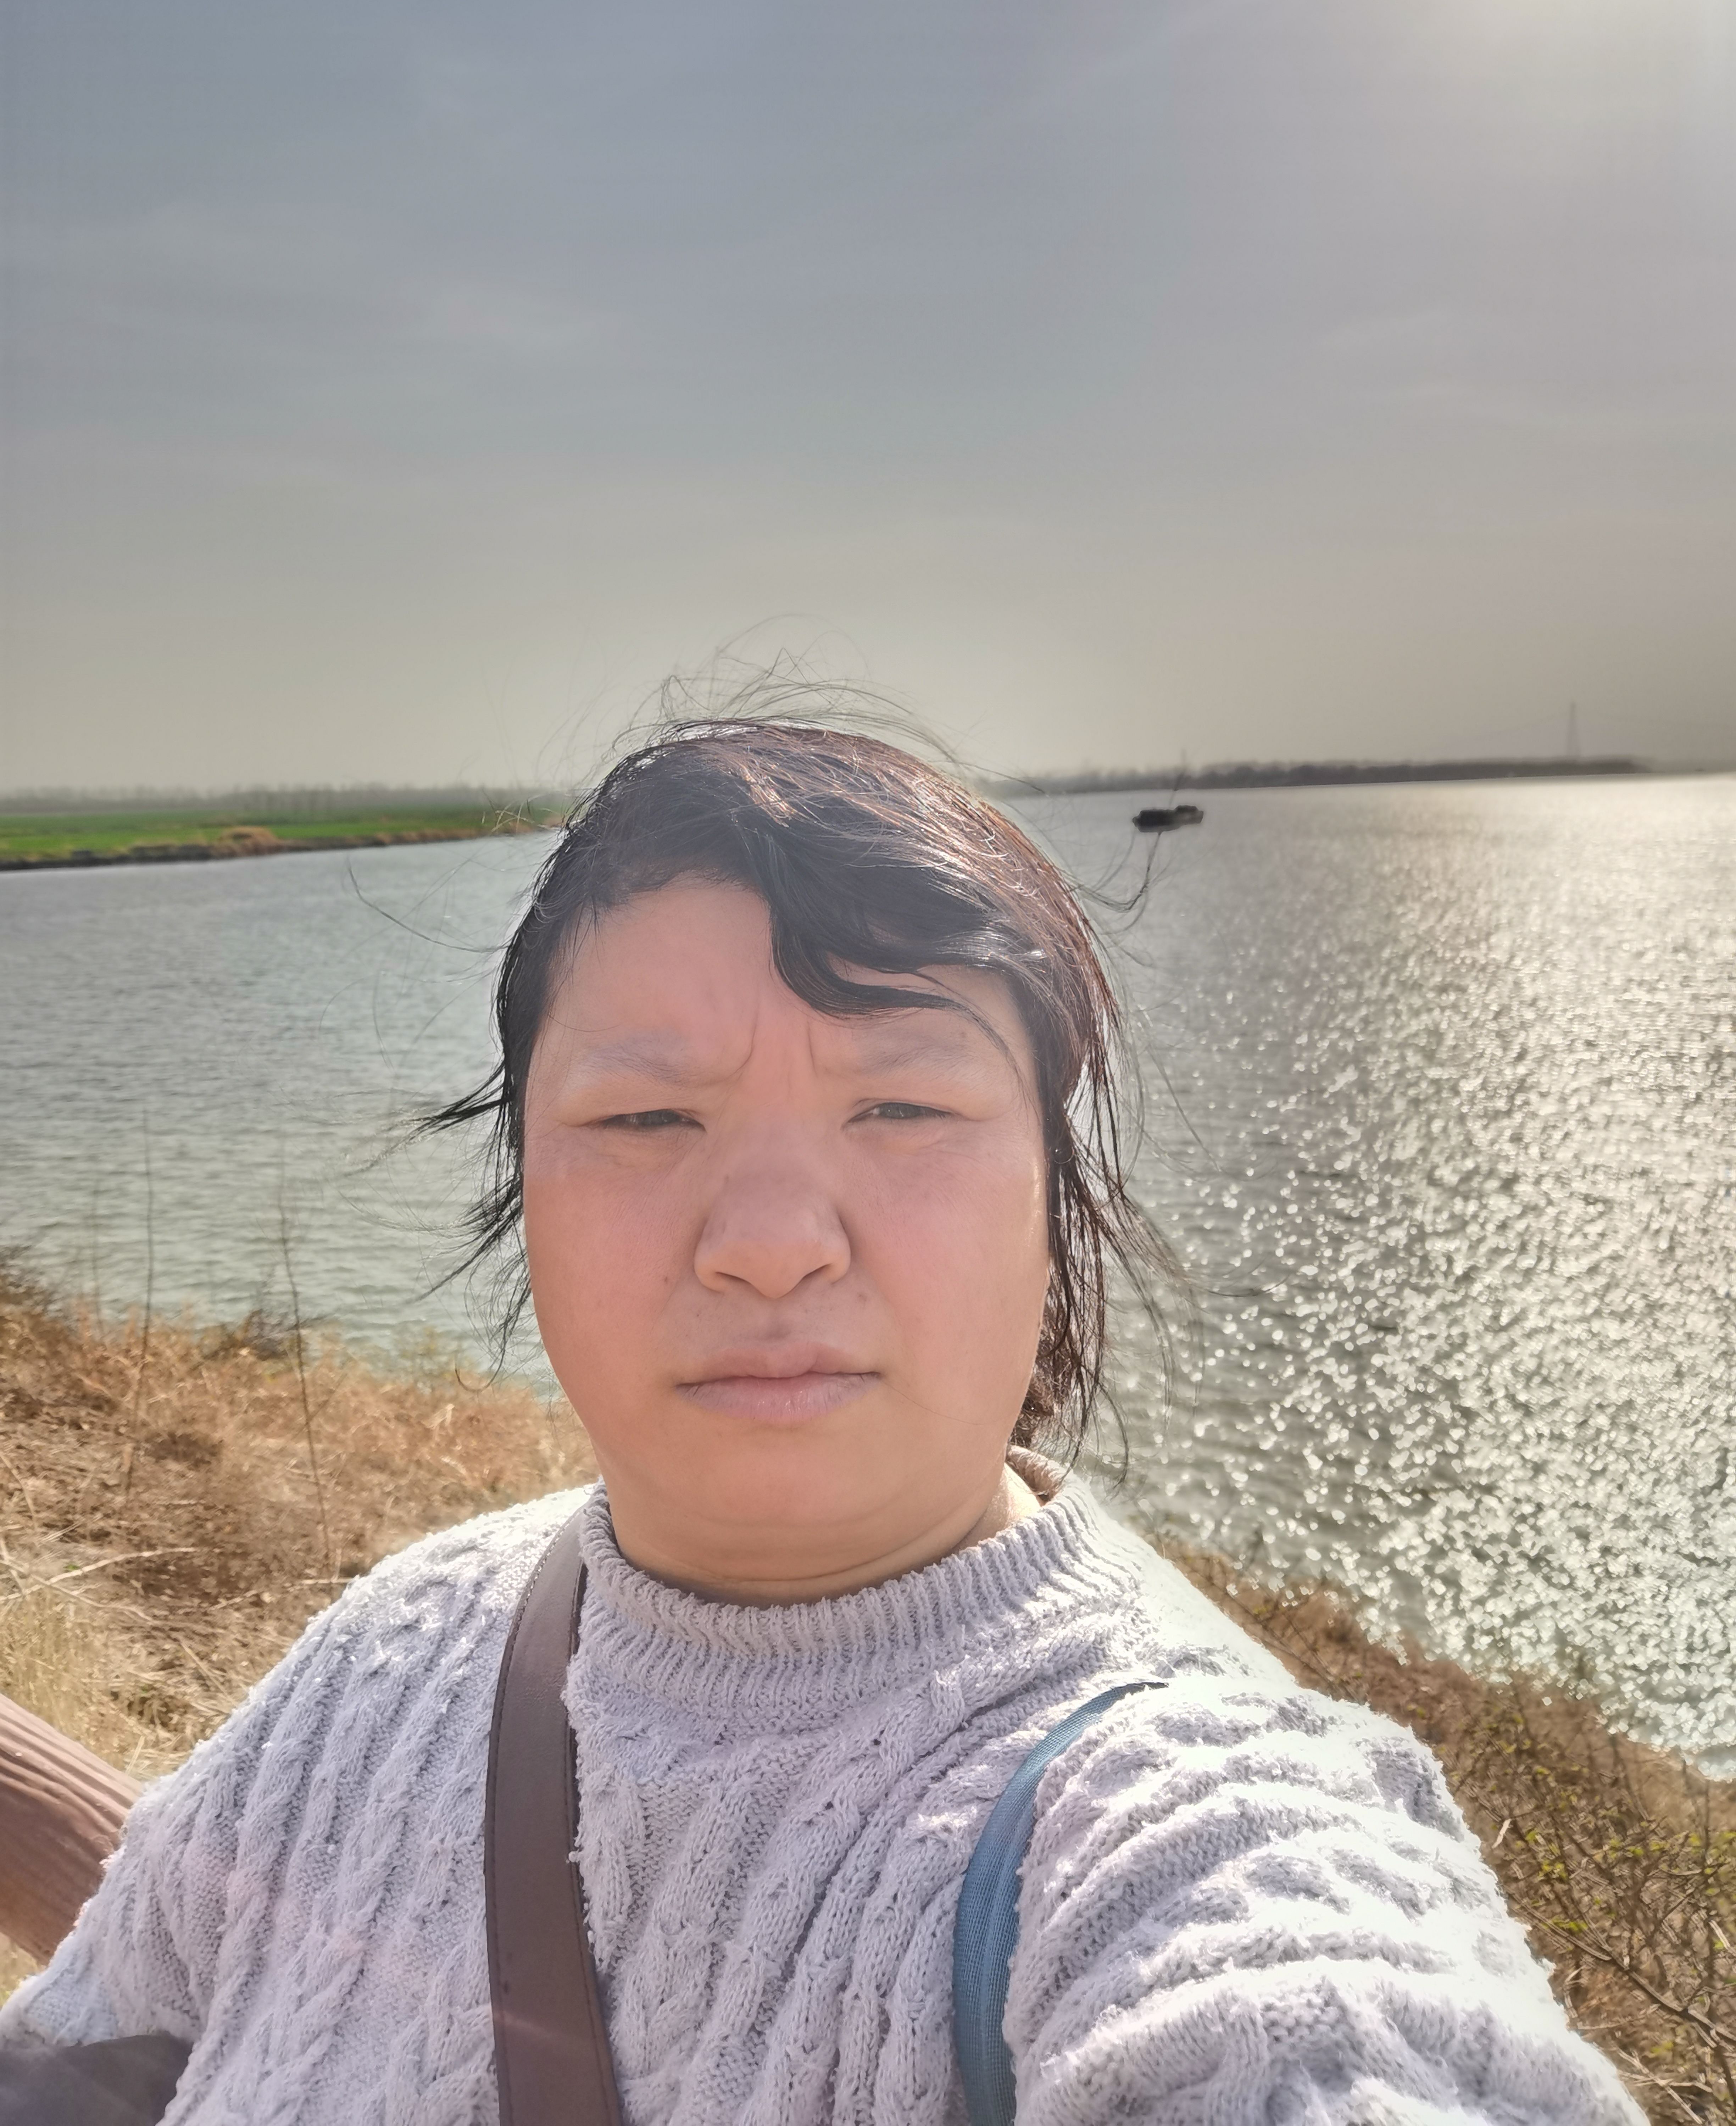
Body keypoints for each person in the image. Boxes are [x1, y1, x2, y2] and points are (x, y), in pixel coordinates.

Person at [0, 721, 1637, 2124]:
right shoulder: (387, 1657)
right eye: (648, 1117)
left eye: (903, 1106)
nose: (772, 1240)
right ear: (524, 1189)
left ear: (1054, 1201)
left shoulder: (1198, 1838)